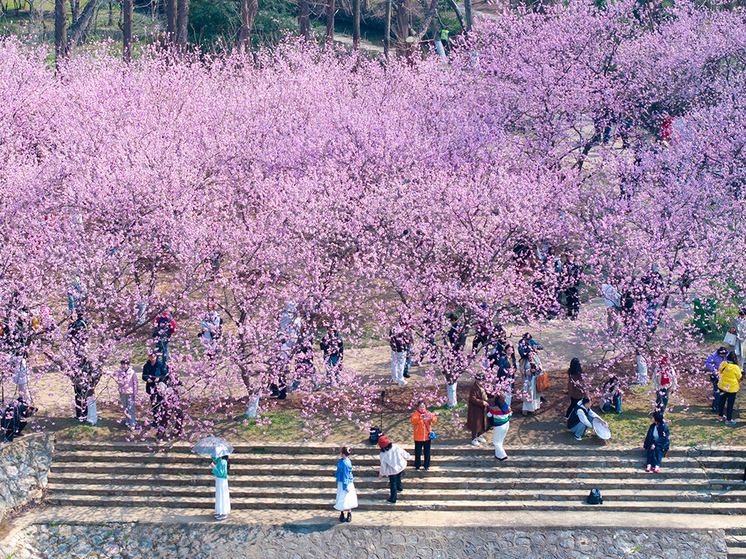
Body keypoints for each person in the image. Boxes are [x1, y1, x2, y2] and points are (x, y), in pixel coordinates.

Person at [377, 435, 411, 504]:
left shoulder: (383, 454)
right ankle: (400, 488)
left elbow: (383, 466)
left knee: (393, 484)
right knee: (398, 477)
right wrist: (408, 456)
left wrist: (381, 474)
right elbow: (403, 452)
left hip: (392, 470)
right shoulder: (395, 446)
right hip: (400, 465)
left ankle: (393, 498)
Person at [411, 401, 439, 471]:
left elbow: (434, 420)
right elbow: (413, 421)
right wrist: (419, 418)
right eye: (420, 407)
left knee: (427, 452)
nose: (422, 408)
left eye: (423, 407)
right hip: (418, 437)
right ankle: (417, 466)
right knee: (418, 452)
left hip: (427, 437)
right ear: (418, 407)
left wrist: (431, 418)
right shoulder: (415, 414)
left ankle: (426, 466)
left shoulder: (428, 413)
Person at [142, 352, 167, 427]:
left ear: (156, 357)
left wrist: (159, 378)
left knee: (161, 403)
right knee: (154, 404)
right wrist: (147, 379)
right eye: (150, 357)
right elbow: (144, 375)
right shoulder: (146, 366)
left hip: (159, 386)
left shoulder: (161, 365)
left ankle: (162, 420)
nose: (151, 358)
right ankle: (155, 420)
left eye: (153, 356)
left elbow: (165, 375)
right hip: (150, 386)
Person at [334, 446, 358, 522]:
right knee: (342, 497)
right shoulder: (344, 461)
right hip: (342, 481)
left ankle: (348, 513)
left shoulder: (346, 463)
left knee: (347, 497)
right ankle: (342, 513)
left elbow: (346, 475)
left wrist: (345, 486)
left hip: (346, 483)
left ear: (343, 453)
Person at [718, 351, 742, 425]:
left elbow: (719, 371)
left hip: (722, 386)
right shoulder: (735, 367)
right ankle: (728, 419)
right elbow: (739, 376)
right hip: (732, 388)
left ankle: (721, 415)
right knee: (730, 404)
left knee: (722, 401)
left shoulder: (723, 364)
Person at [487, 393, 512, 461]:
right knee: (500, 440)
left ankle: (503, 455)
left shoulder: (494, 408)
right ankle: (498, 455)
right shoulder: (507, 406)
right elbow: (510, 414)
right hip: (506, 424)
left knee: (495, 442)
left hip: (499, 426)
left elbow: (489, 415)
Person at [467, 373, 490, 445]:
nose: (481, 381)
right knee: (475, 423)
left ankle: (480, 435)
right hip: (475, 408)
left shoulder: (483, 386)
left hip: (482, 408)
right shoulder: (474, 387)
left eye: (482, 380)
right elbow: (472, 399)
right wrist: (482, 402)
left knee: (482, 421)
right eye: (479, 380)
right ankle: (473, 438)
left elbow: (487, 394)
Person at [115, 358, 138, 429]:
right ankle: (127, 420)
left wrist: (135, 393)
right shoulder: (120, 372)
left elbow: (135, 383)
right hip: (122, 392)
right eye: (122, 364)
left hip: (130, 392)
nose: (123, 366)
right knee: (125, 407)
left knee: (131, 408)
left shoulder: (132, 372)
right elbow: (114, 375)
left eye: (125, 364)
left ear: (128, 364)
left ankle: (132, 423)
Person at [705, 347, 728, 413]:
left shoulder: (727, 355)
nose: (723, 355)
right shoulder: (713, 355)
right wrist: (714, 370)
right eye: (722, 354)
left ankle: (722, 405)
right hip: (716, 374)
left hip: (725, 375)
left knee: (724, 390)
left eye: (724, 354)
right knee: (717, 391)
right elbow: (707, 363)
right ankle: (715, 406)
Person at [389, 319, 409, 386]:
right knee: (401, 364)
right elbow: (407, 339)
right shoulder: (404, 331)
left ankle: (394, 377)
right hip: (401, 349)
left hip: (394, 349)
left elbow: (390, 337)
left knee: (394, 362)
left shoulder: (392, 329)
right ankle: (401, 380)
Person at [211, 454, 231, 520]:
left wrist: (214, 467)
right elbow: (215, 459)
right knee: (220, 496)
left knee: (222, 496)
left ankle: (223, 513)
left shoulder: (223, 462)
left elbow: (220, 473)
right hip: (220, 480)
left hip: (221, 481)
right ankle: (220, 512)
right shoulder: (221, 461)